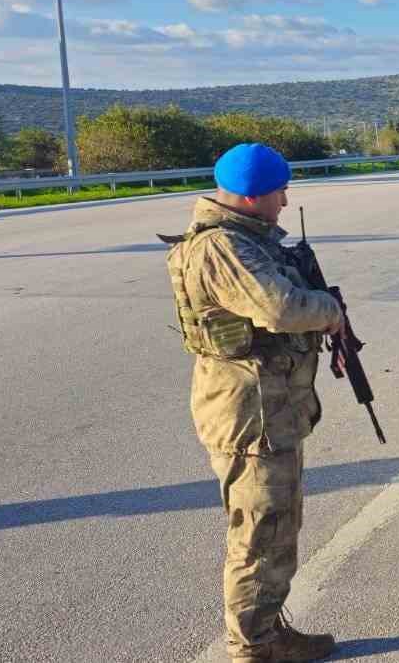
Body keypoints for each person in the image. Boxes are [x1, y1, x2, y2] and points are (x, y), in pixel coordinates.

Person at [163, 143, 344, 663]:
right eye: (279, 191)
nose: (285, 202)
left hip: (269, 410)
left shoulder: (247, 240)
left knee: (276, 527)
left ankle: (266, 629)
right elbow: (281, 307)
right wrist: (329, 310)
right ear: (250, 195)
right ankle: (254, 646)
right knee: (259, 536)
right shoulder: (222, 247)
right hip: (251, 416)